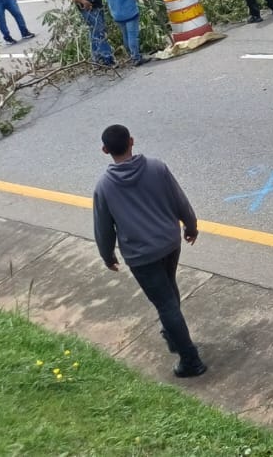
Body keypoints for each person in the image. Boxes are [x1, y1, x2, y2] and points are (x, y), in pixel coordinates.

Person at [92, 124, 207, 378]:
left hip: (141, 255)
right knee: (168, 290)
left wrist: (107, 254)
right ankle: (174, 334)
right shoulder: (157, 168)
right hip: (169, 242)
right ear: (132, 141)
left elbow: (103, 226)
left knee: (165, 303)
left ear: (105, 150)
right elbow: (180, 199)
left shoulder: (104, 187)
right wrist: (191, 226)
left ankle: (191, 360)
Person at [100, 0, 150, 66]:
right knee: (133, 35)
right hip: (129, 11)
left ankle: (131, 55)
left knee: (125, 35)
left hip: (116, 13)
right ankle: (136, 57)